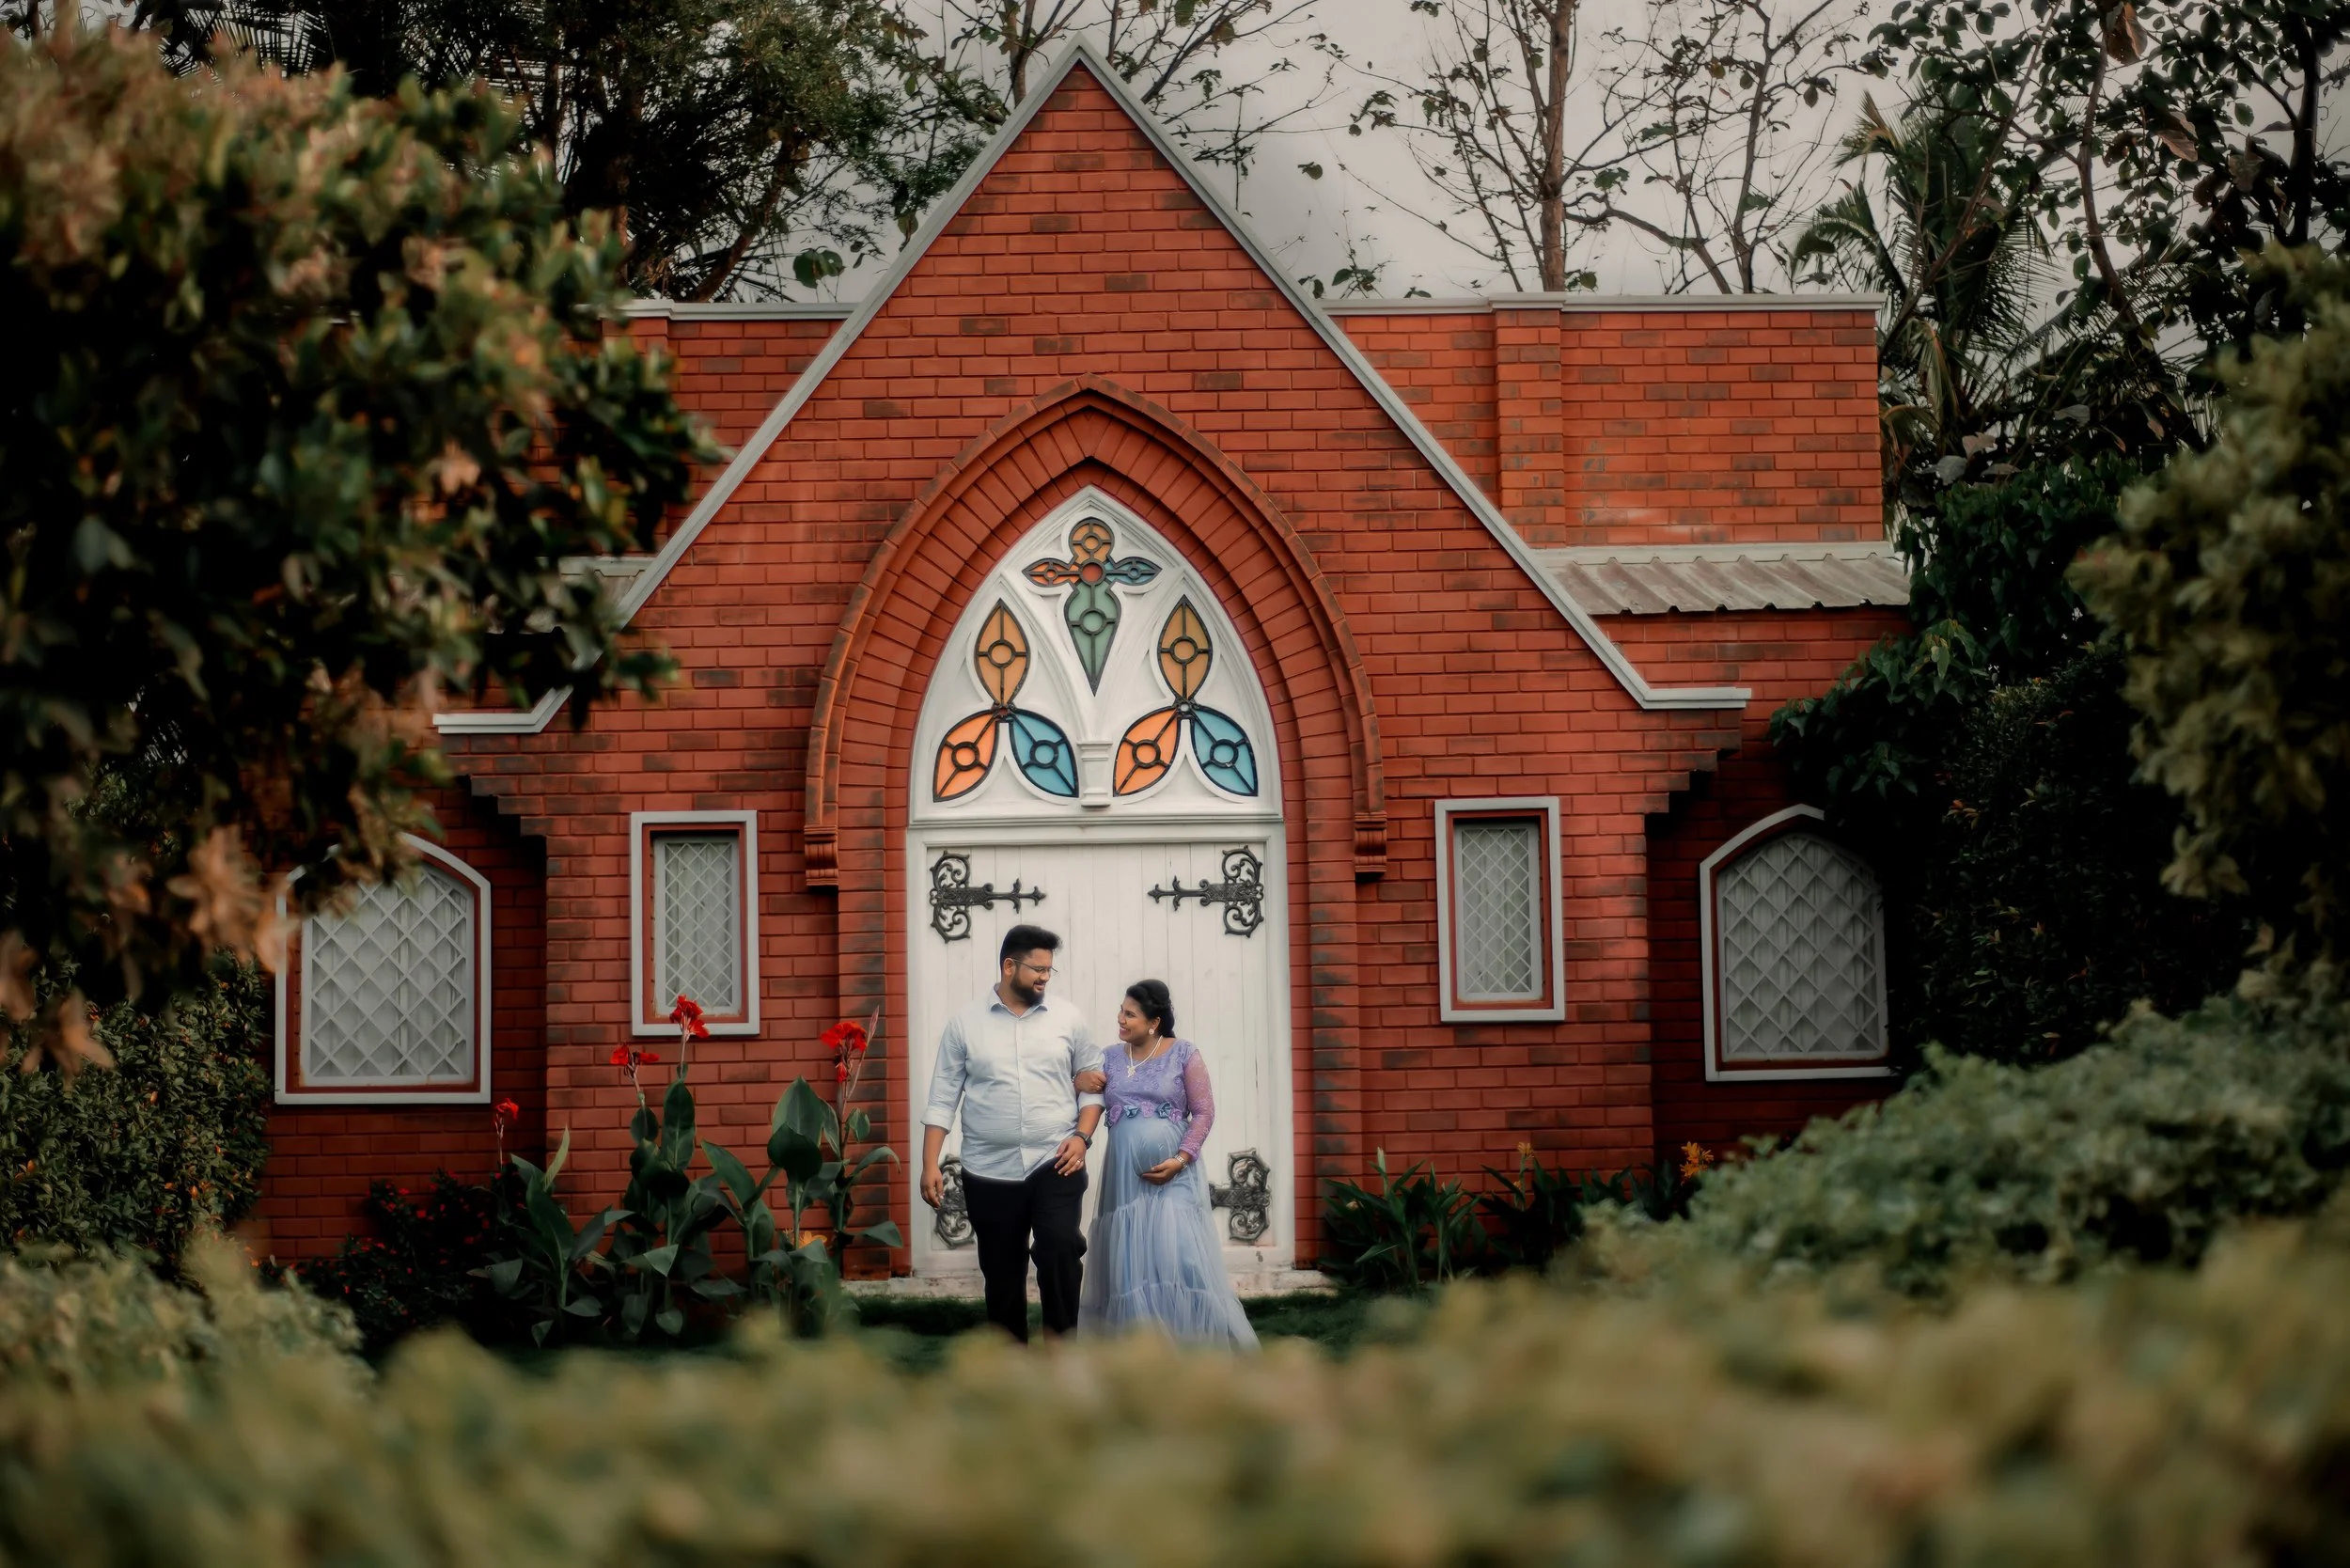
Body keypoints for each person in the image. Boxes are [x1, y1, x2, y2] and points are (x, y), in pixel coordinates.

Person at [919, 924, 1107, 1341]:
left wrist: (1082, 1137)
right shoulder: (964, 1025)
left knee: (1060, 1250)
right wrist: (929, 1162)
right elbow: (942, 1097)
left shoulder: (1069, 1019)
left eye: (1049, 970)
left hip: (1055, 1160)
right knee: (1001, 1271)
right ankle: (1010, 1367)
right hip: (989, 1170)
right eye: (1038, 969)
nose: (1045, 977)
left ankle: (1061, 1349)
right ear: (1009, 966)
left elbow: (1093, 1088)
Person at [1080, 979, 1259, 1349]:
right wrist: (1077, 1078)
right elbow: (1085, 1098)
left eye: (1129, 1014)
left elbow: (1204, 1112)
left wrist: (1181, 1158)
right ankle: (1140, 1355)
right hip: (1124, 1184)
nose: (1120, 1019)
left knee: (1177, 1257)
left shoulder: (1184, 1054)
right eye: (1121, 1010)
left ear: (1154, 1022)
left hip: (1175, 1177)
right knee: (1129, 1268)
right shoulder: (1109, 1057)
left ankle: (1193, 1349)